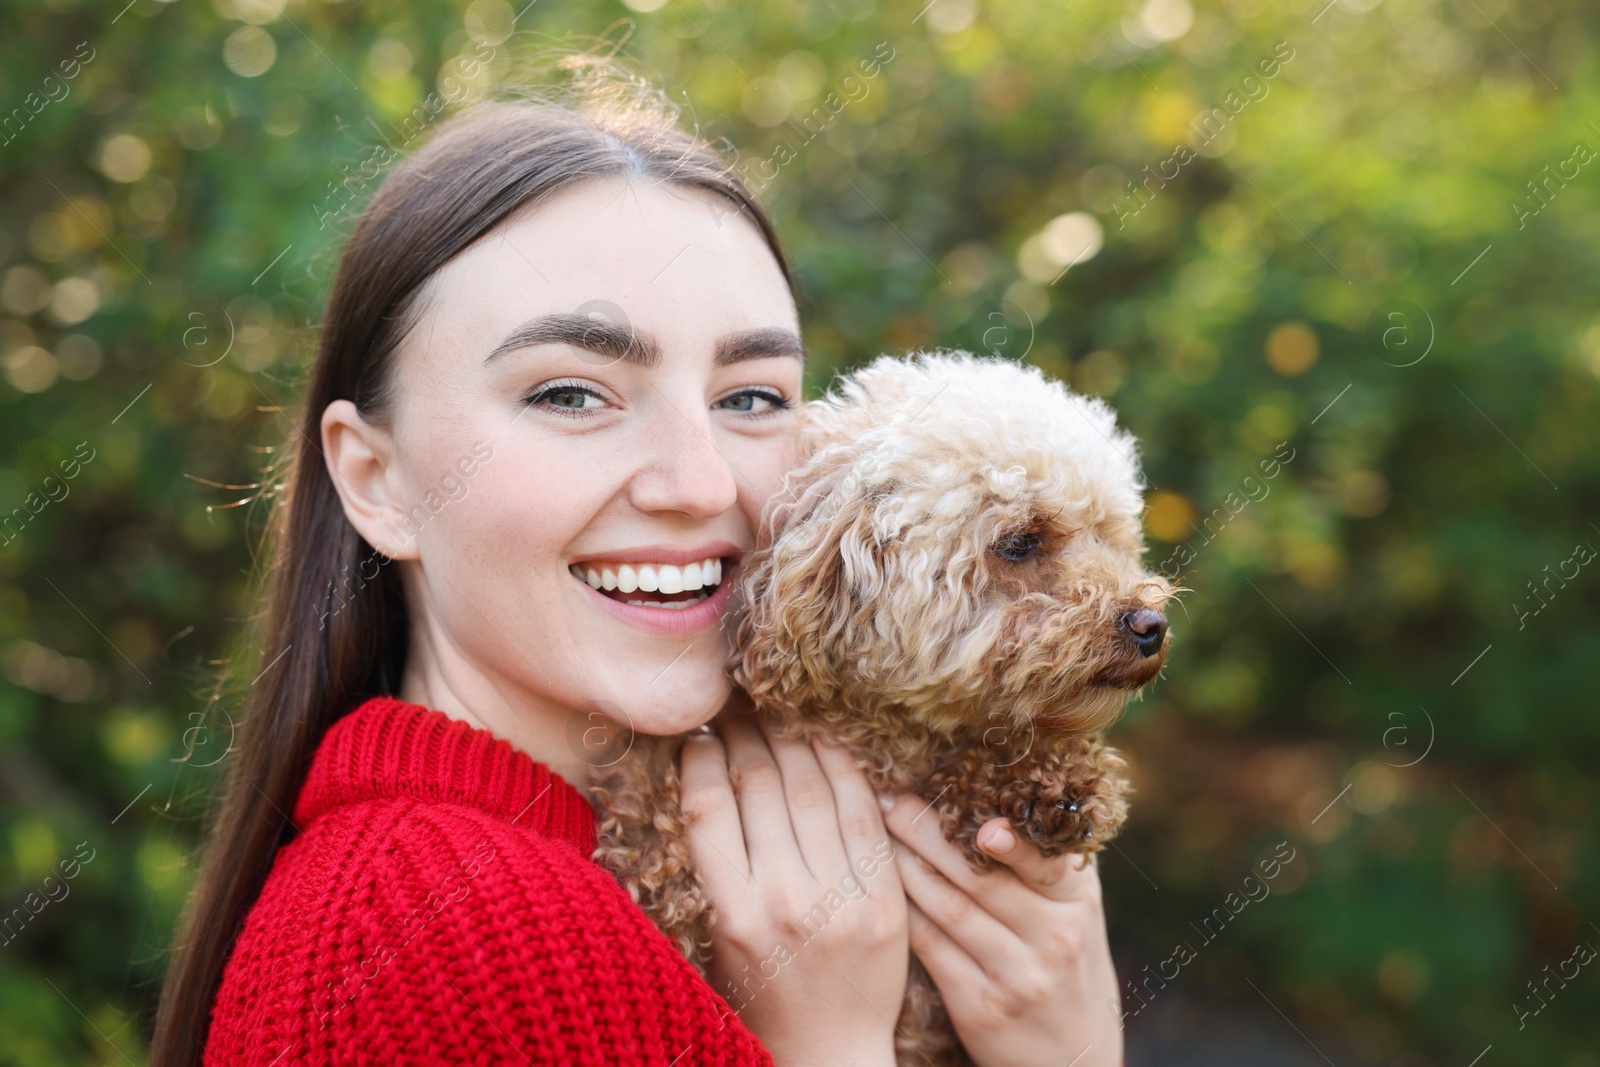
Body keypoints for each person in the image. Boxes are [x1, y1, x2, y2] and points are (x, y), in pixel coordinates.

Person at [151, 59, 1123, 1067]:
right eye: (572, 393)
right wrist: (834, 1043)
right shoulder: (457, 928)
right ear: (377, 478)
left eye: (750, 396)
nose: (698, 482)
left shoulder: (662, 864)